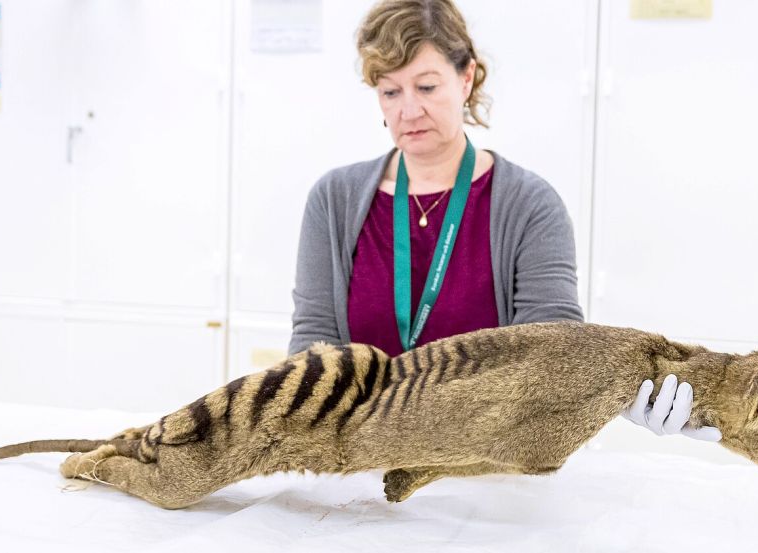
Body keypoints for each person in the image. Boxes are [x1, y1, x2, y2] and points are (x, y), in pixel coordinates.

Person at [288, 0, 720, 443]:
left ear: (466, 77)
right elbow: (312, 342)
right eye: (390, 91)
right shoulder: (334, 200)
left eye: (427, 86)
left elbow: (555, 350)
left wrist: (626, 390)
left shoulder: (530, 205)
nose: (409, 110)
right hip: (359, 457)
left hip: (485, 466)